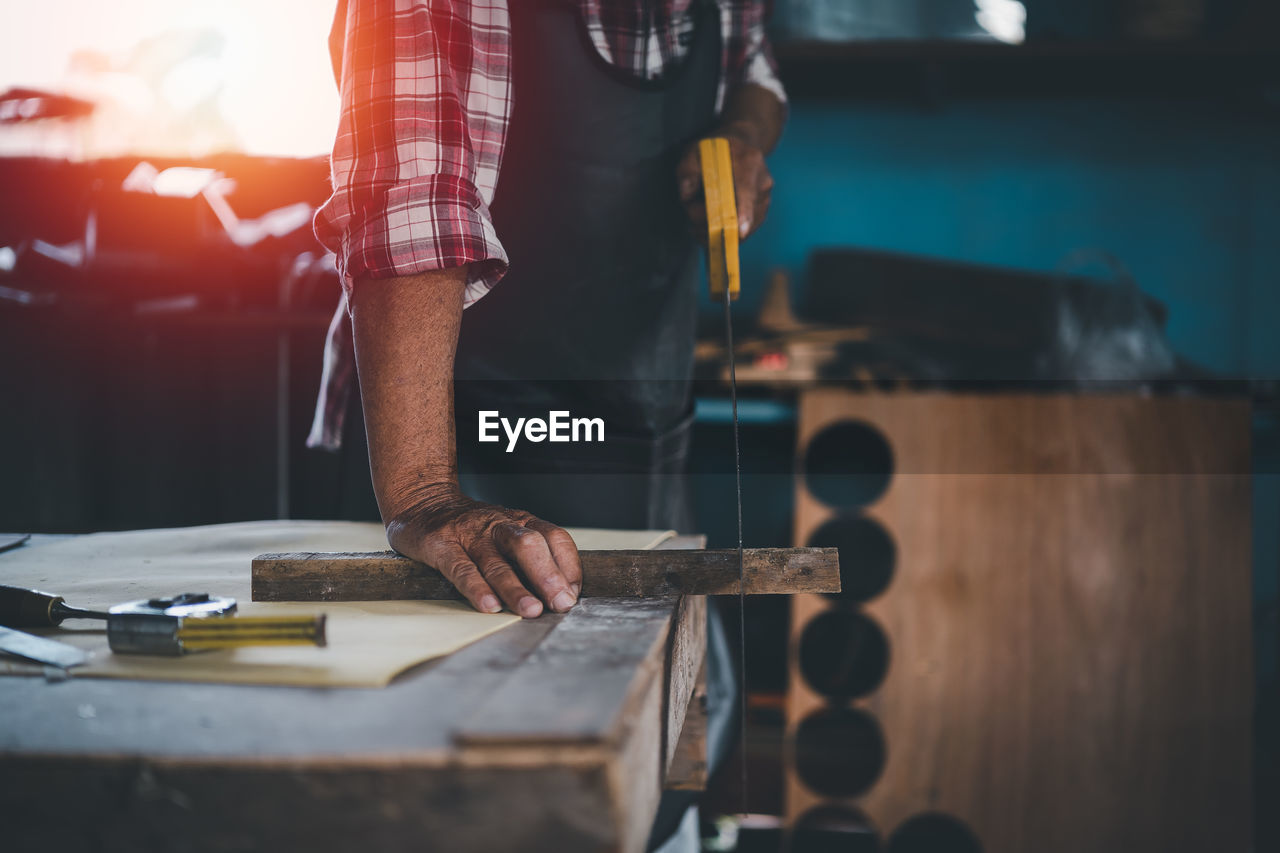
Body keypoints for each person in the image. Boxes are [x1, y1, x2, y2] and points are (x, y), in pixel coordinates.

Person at [310, 2, 785, 848]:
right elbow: (411, 206)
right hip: (447, 450)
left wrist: (741, 139)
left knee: (656, 772)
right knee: (454, 793)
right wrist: (425, 496)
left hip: (635, 436)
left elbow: (754, 71)